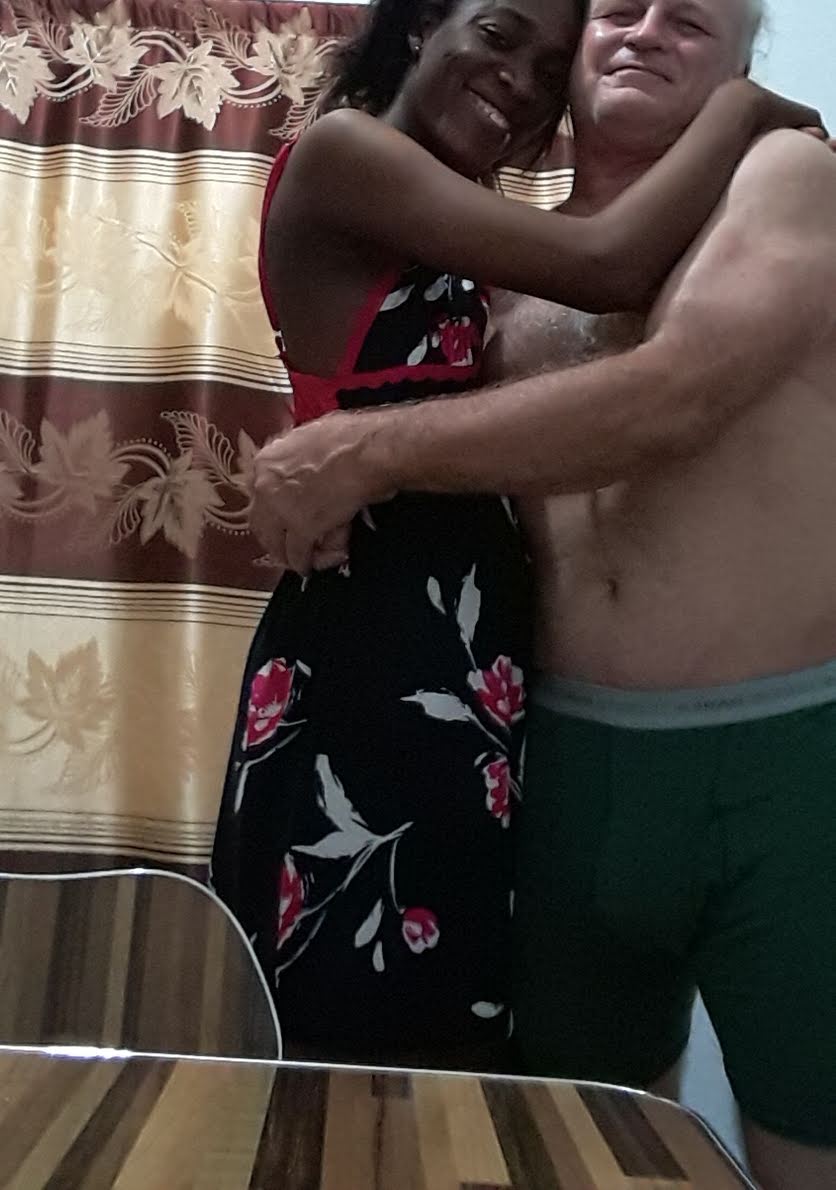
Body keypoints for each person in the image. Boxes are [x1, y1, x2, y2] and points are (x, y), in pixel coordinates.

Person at [243, 1, 836, 1185]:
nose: (643, 32)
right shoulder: (497, 266)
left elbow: (673, 395)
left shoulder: (784, 178)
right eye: (614, 11)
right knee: (573, 1141)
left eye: (691, 20)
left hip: (774, 760)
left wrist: (361, 453)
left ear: (740, 61)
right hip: (547, 756)